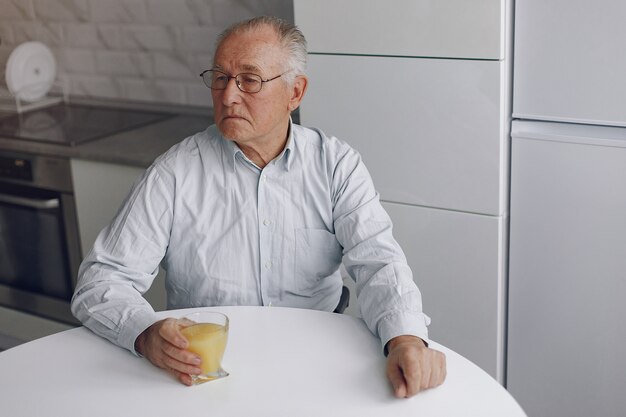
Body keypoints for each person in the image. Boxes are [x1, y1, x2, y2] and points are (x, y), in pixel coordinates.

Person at [71, 16, 446, 398]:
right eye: (220, 78)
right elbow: (102, 281)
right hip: (206, 373)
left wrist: (406, 340)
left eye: (249, 80)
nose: (228, 95)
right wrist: (144, 333)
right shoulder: (175, 171)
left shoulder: (335, 165)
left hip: (319, 359)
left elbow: (379, 263)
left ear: (295, 92)